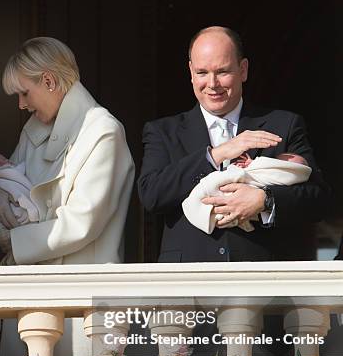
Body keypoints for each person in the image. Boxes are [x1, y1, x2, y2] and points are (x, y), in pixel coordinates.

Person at [138, 26, 330, 262]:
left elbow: (318, 199)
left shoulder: (285, 124)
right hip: (188, 278)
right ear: (190, 72)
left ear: (243, 69)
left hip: (264, 276)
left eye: (222, 71)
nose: (212, 83)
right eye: (202, 72)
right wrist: (216, 155)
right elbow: (151, 195)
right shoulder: (163, 132)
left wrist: (265, 200)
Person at [0, 36, 135, 265]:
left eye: (25, 93)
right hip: (30, 286)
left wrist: (14, 240)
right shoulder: (33, 132)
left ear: (49, 81)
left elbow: (82, 223)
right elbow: (6, 187)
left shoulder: (103, 132)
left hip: (80, 289)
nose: (21, 105)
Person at [182, 152, 311, 234]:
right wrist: (216, 154)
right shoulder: (164, 129)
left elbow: (315, 197)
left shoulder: (288, 123)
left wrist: (265, 200)